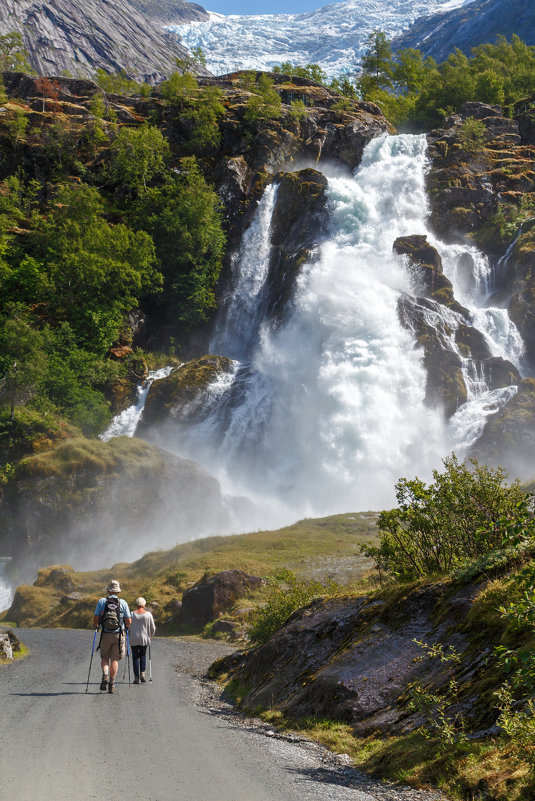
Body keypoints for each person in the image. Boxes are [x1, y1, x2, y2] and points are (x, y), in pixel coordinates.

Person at [93, 580, 131, 694]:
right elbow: (128, 620)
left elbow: (96, 619)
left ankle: (105, 675)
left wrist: (96, 626)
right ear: (118, 592)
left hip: (105, 633)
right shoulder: (123, 603)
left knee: (105, 657)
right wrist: (126, 627)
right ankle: (112, 684)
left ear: (108, 590)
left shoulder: (102, 601)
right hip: (118, 634)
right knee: (114, 659)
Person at [129, 596, 155, 684]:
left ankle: (136, 677)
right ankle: (142, 674)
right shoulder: (148, 615)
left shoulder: (131, 614)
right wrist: (150, 636)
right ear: (144, 604)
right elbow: (153, 628)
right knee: (143, 655)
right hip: (144, 638)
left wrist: (128, 634)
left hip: (134, 638)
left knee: (135, 656)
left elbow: (128, 626)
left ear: (136, 604)